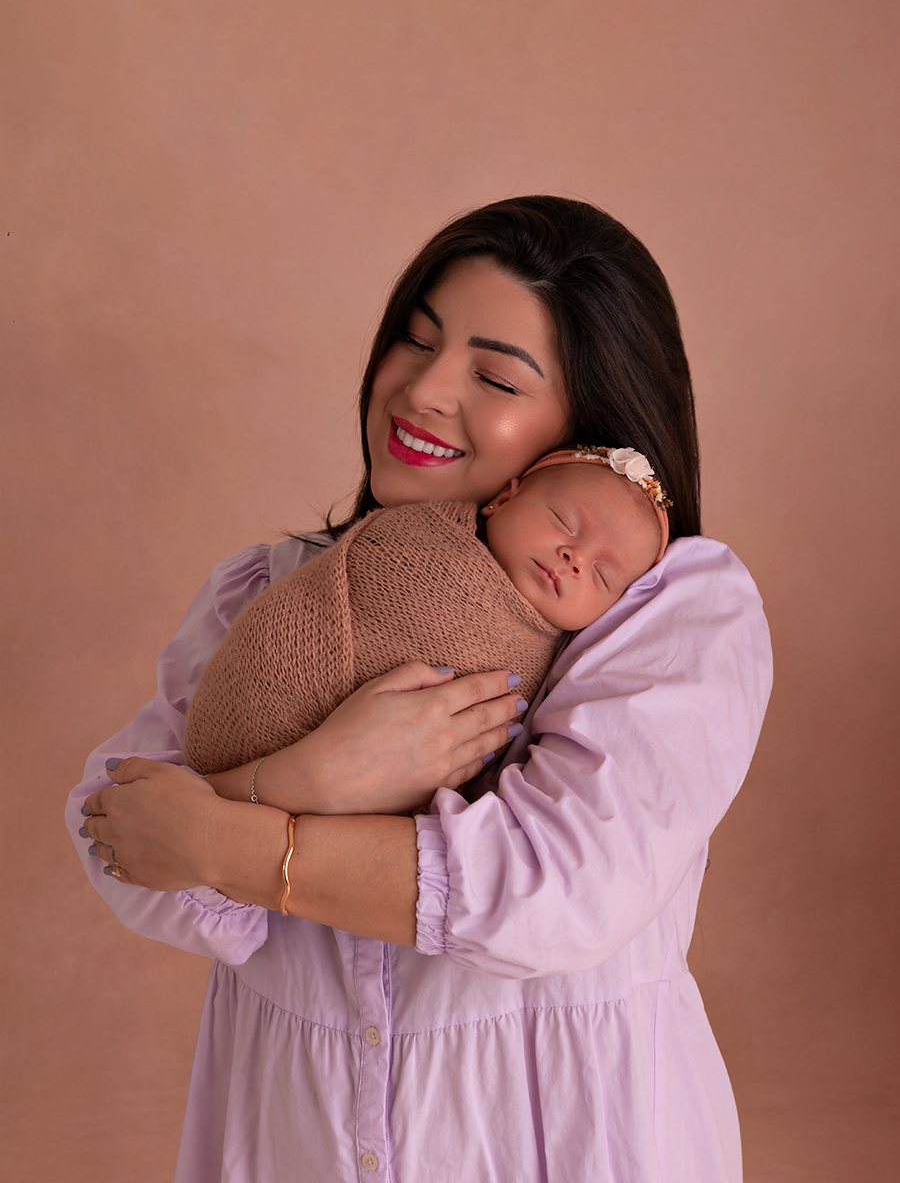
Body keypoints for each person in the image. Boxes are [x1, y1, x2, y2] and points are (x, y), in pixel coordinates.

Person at [69, 195, 772, 1182]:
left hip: (567, 1147)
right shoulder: (277, 591)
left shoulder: (663, 615)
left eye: (493, 375)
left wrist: (239, 837)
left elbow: (556, 891)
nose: (422, 390)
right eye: (415, 338)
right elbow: (118, 833)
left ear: (587, 431)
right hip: (294, 1141)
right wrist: (309, 774)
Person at [182, 444, 671, 784]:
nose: (575, 558)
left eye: (603, 575)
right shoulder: (418, 540)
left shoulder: (560, 672)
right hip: (257, 710)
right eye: (564, 522)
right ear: (503, 499)